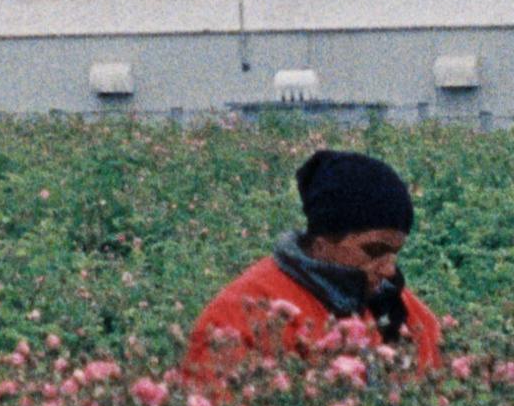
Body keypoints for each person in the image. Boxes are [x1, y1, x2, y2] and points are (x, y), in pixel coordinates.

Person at [183, 145, 445, 382]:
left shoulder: (407, 314)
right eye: (374, 250)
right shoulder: (237, 317)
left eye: (394, 253)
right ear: (322, 243)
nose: (389, 269)